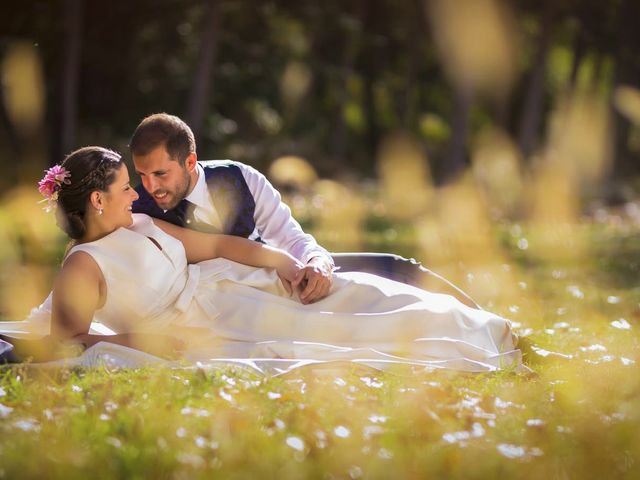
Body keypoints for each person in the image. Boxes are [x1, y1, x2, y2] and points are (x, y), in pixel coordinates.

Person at [0, 147, 521, 372]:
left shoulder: (141, 222)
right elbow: (70, 338)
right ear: (96, 201)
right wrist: (131, 341)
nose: (135, 195)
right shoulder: (84, 264)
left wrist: (282, 264)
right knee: (318, 340)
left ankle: (484, 328)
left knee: (359, 292)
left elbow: (221, 246)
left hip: (230, 283)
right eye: (122, 188)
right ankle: (467, 344)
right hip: (197, 321)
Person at [130, 113, 479, 308]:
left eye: (161, 174)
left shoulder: (241, 178)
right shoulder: (141, 212)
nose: (151, 187)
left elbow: (291, 237)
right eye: (142, 175)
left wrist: (318, 263)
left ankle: (493, 326)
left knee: (396, 266)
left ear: (190, 161)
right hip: (244, 302)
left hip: (292, 276)